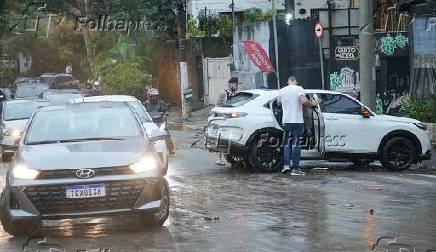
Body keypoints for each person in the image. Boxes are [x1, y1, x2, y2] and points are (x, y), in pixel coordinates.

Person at [278, 76, 320, 176]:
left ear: (288, 82)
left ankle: (286, 166)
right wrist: (313, 103)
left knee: (287, 144)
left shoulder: (282, 90)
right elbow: (304, 101)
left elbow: (279, 103)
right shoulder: (299, 88)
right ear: (296, 81)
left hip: (286, 121)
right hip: (297, 120)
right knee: (296, 144)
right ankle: (295, 168)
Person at [215, 77, 240, 166]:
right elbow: (217, 105)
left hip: (233, 119)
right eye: (236, 85)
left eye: (237, 85)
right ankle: (219, 158)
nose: (237, 87)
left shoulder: (237, 93)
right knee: (222, 138)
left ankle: (231, 158)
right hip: (224, 120)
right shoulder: (223, 93)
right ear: (231, 84)